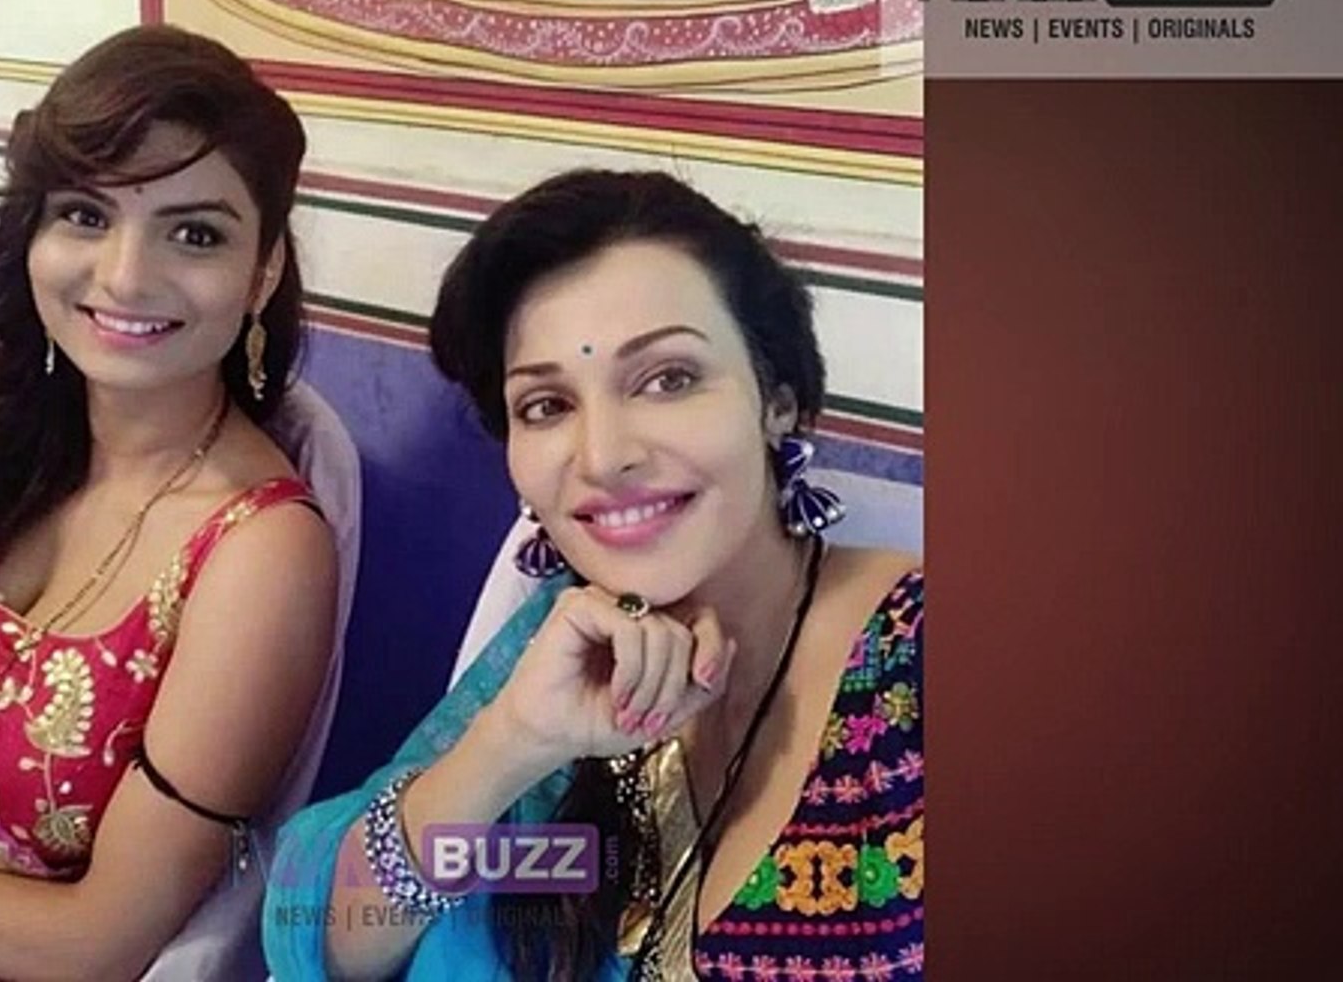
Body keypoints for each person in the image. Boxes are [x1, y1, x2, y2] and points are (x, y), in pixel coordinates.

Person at [265, 170, 923, 980]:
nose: (604, 457)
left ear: (776, 400)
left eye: (668, 379)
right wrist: (512, 745)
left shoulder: (928, 658)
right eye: (546, 405)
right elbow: (322, 932)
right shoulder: (559, 643)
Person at [0, 25, 340, 982]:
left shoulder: (260, 552)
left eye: (195, 233)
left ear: (264, 270)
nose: (124, 277)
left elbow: (101, 942)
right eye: (85, 214)